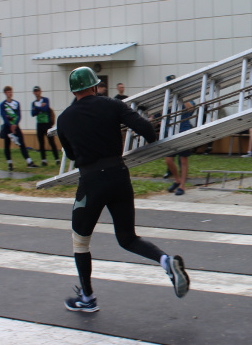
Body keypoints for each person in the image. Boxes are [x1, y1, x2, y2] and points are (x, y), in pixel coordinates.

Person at [56, 67, 189, 312]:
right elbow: (148, 131)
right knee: (128, 238)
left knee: (80, 242)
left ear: (73, 90)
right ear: (95, 86)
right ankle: (166, 261)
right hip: (119, 175)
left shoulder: (63, 119)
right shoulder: (112, 105)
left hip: (90, 182)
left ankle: (87, 298)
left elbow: (72, 155)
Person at [0, 86, 37, 171]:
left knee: (22, 143)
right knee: (7, 146)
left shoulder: (16, 103)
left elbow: (19, 115)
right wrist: (10, 125)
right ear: (5, 93)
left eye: (11, 92)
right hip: (7, 127)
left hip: (16, 126)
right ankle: (9, 163)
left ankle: (29, 162)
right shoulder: (2, 105)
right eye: (8, 92)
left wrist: (15, 124)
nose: (10, 94)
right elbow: (3, 116)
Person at [165, 100, 195, 196]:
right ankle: (177, 180)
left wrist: (183, 99)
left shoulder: (188, 99)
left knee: (183, 160)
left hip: (184, 130)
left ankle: (182, 185)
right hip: (171, 131)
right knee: (168, 160)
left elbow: (191, 109)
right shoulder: (169, 98)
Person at [31, 86, 60, 166]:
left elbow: (45, 109)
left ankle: (57, 158)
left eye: (38, 91)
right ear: (34, 93)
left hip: (47, 124)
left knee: (51, 141)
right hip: (39, 124)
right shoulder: (33, 103)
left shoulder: (45, 100)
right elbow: (32, 114)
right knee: (41, 143)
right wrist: (40, 107)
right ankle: (44, 160)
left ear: (40, 91)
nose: (37, 93)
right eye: (35, 91)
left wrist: (36, 108)